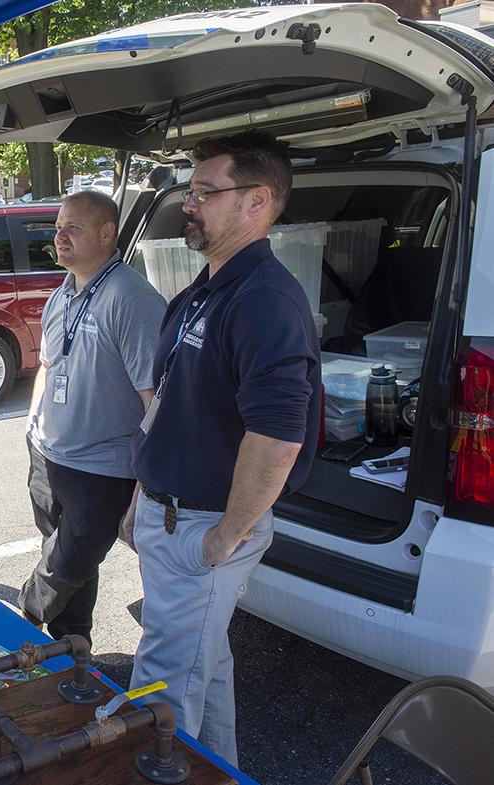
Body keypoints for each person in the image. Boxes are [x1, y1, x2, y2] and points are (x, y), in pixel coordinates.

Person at [127, 131, 321, 766]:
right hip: (169, 516)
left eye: (205, 192)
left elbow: (278, 435)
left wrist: (228, 535)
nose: (188, 204)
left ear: (257, 201)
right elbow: (166, 405)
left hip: (202, 528)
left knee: (158, 694)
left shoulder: (263, 299)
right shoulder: (201, 291)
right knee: (201, 669)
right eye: (191, 191)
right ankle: (221, 772)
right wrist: (142, 494)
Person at [18, 191, 166, 643]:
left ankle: (20, 618)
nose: (60, 237)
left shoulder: (132, 298)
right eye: (58, 228)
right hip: (48, 456)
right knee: (66, 565)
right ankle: (71, 652)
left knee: (65, 565)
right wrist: (32, 428)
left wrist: (144, 486)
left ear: (107, 233)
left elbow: (156, 401)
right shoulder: (62, 294)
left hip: (102, 469)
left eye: (73, 228)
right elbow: (48, 366)